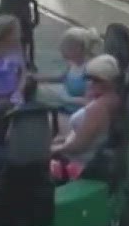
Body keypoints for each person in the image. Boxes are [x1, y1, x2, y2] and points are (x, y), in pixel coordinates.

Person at [50, 55, 120, 183]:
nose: (90, 83)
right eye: (88, 78)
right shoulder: (113, 98)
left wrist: (53, 150)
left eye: (96, 80)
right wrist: (60, 141)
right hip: (85, 156)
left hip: (78, 165)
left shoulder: (98, 108)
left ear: (109, 81)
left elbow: (79, 146)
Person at [43, 27, 102, 116]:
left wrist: (67, 99)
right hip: (64, 106)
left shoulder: (90, 71)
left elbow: (89, 102)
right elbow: (62, 77)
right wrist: (38, 78)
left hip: (77, 114)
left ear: (78, 48)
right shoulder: (72, 63)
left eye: (66, 47)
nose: (62, 49)